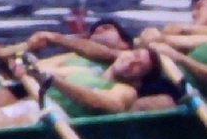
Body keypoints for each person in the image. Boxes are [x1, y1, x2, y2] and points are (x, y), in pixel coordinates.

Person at [25, 45, 178, 116]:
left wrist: (55, 81)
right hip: (33, 104)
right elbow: (37, 69)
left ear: (138, 81)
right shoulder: (83, 70)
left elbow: (99, 103)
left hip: (55, 116)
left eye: (139, 66)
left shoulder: (126, 91)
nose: (131, 62)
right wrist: (21, 63)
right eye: (134, 55)